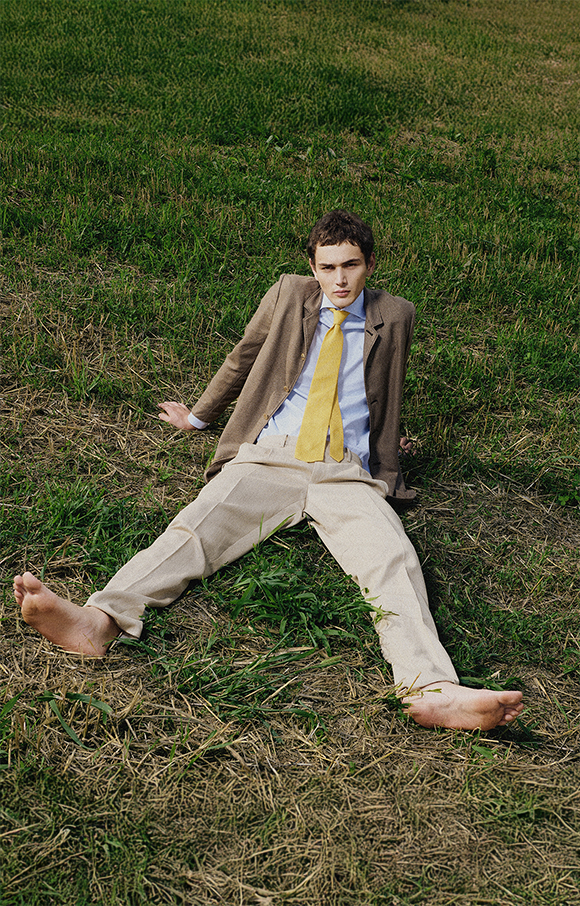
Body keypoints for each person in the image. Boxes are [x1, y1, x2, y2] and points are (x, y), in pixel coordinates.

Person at [13, 210, 523, 731]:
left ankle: (430, 688)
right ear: (313, 267)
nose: (339, 280)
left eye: (350, 265)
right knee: (195, 530)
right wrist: (198, 416)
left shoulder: (396, 314)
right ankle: (97, 622)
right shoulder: (287, 295)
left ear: (370, 264)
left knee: (393, 558)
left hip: (345, 470)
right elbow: (243, 356)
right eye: (328, 267)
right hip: (272, 454)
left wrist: (388, 445)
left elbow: (384, 385)